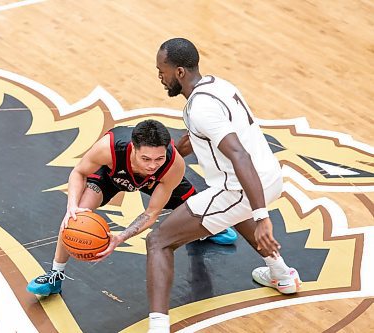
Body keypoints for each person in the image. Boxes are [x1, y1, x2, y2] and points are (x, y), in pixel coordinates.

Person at [146, 38, 302, 333]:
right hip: (268, 176)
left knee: (159, 241)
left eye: (162, 71)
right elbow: (219, 131)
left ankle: (158, 327)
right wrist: (184, 147)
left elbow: (238, 154)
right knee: (235, 212)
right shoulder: (219, 86)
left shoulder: (200, 108)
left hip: (241, 187)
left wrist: (262, 216)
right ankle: (281, 274)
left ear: (179, 72)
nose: (160, 77)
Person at [26, 119, 237, 296]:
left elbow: (151, 212)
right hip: (110, 176)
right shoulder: (108, 148)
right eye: (146, 158)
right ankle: (55, 275)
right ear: (133, 148)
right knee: (74, 220)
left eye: (159, 158)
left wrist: (121, 237)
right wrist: (72, 206)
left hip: (155, 183)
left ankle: (206, 229)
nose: (152, 165)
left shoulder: (173, 165)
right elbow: (78, 173)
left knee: (198, 209)